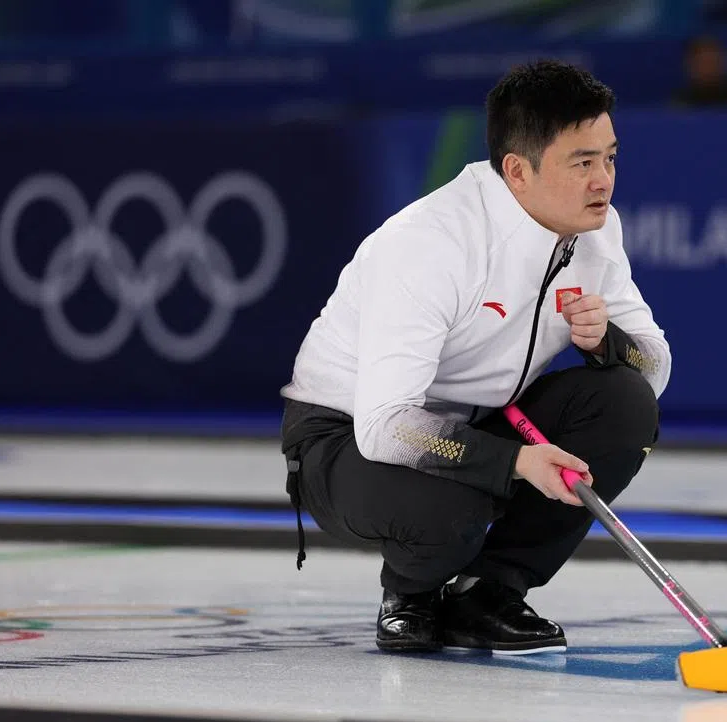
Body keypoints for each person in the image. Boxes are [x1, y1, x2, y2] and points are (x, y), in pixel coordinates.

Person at [279, 60, 670, 656]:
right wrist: (514, 462)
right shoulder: (431, 242)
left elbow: (655, 368)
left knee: (625, 406)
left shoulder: (595, 232)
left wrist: (609, 344)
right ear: (517, 170)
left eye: (610, 158)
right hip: (345, 435)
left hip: (481, 419)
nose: (604, 181)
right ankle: (411, 593)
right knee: (455, 497)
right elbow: (385, 428)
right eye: (582, 163)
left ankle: (489, 593)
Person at [671, 36, 727, 108]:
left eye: (712, 61)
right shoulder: (681, 105)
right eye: (703, 62)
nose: (708, 67)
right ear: (691, 65)